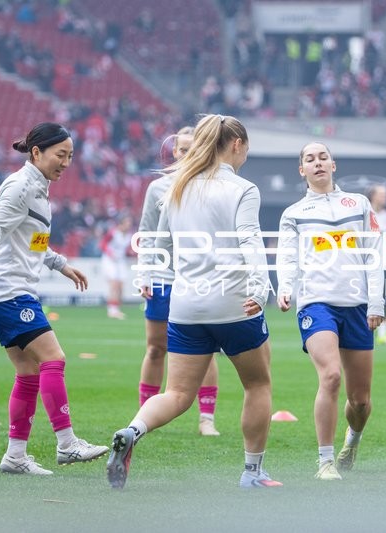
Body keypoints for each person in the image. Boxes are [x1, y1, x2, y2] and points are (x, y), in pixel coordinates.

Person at [107, 114, 281, 490]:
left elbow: (159, 243)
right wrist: (260, 288)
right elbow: (250, 240)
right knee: (257, 384)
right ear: (236, 145)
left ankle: (132, 430)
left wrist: (147, 276)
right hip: (233, 303)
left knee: (177, 393)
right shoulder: (242, 189)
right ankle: (253, 473)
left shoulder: (178, 186)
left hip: (185, 306)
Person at [0, 122, 109, 475]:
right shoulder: (22, 186)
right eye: (60, 155)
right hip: (9, 292)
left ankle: (15, 456)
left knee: (28, 372)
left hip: (14, 290)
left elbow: (31, 241)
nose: (66, 163)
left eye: (70, 156)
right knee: (54, 359)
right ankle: (67, 444)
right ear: (36, 153)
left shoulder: (39, 188)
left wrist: (61, 265)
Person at [276, 142, 385, 480]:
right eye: (310, 159)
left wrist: (377, 302)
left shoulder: (360, 204)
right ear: (302, 170)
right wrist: (284, 287)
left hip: (358, 306)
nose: (318, 163)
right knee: (331, 376)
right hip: (316, 303)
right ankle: (325, 461)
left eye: (323, 157)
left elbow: (375, 253)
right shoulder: (293, 214)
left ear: (333, 165)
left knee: (361, 401)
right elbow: (287, 256)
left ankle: (352, 440)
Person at [136, 126, 221, 436]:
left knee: (206, 349)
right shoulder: (158, 188)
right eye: (183, 149)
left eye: (193, 149)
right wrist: (145, 272)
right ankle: (145, 412)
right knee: (156, 348)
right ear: (174, 152)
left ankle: (206, 418)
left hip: (198, 277)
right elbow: (147, 233)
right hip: (163, 277)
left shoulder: (210, 186)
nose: (187, 155)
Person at [367, 183, 386, 345]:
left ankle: (383, 333)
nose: (385, 198)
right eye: (382, 194)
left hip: (383, 261)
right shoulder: (364, 212)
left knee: (383, 296)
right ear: (373, 195)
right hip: (364, 262)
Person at [100, 214, 133, 319]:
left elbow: (127, 250)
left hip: (120, 261)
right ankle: (111, 310)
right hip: (109, 260)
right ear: (121, 224)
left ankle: (116, 309)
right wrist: (110, 253)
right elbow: (102, 244)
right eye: (127, 223)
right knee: (114, 283)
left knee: (121, 285)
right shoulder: (113, 233)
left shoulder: (129, 235)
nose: (129, 225)